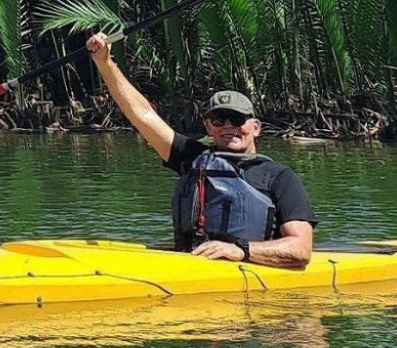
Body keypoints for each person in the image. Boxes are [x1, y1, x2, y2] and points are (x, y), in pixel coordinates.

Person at [85, 33, 316, 266]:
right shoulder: (192, 157)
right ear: (208, 126)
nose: (228, 126)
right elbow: (142, 114)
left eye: (237, 119)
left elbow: (301, 249)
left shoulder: (279, 177)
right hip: (192, 264)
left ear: (255, 127)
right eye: (219, 120)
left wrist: (241, 250)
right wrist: (104, 63)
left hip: (249, 268)